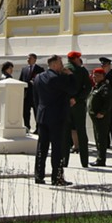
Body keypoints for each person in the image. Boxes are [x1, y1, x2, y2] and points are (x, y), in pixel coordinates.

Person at [31, 55, 73, 185]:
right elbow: (72, 88)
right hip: (56, 117)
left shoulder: (38, 77)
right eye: (60, 63)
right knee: (57, 148)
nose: (62, 66)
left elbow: (36, 98)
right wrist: (70, 75)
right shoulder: (57, 79)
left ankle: (39, 175)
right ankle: (57, 177)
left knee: (41, 148)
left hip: (42, 116)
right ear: (54, 64)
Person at [90, 57, 112, 165]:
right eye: (102, 65)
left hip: (110, 103)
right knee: (102, 129)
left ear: (109, 65)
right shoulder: (99, 81)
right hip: (102, 104)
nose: (103, 67)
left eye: (105, 65)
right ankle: (106, 144)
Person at [65, 50, 90, 168]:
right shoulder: (82, 71)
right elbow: (88, 88)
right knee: (81, 132)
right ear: (76, 59)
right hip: (78, 105)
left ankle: (64, 161)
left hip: (65, 105)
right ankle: (84, 161)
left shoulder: (63, 70)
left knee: (65, 133)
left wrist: (68, 99)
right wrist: (77, 98)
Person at [20, 53, 45, 133]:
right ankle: (27, 126)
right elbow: (21, 80)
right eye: (27, 58)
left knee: (36, 112)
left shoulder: (40, 69)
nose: (28, 60)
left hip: (35, 95)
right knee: (26, 112)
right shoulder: (24, 69)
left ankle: (38, 128)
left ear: (35, 59)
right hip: (26, 95)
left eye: (30, 58)